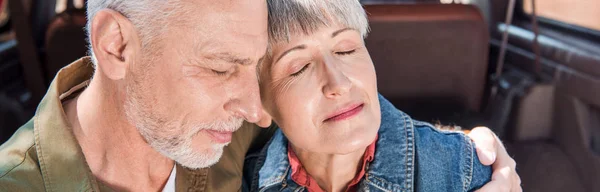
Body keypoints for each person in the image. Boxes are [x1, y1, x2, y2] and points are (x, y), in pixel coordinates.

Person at [0, 0, 519, 191]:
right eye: (223, 67)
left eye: (253, 68)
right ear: (116, 46)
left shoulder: (232, 132)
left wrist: (463, 154)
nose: (256, 110)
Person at [243, 0, 516, 191]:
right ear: (259, 105)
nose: (338, 83)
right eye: (299, 67)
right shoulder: (247, 180)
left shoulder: (464, 170)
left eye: (346, 49)